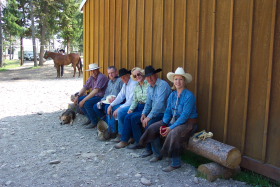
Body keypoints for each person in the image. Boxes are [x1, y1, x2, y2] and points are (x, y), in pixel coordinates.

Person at [139, 67, 198, 172]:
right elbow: (168, 112)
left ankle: (176, 163)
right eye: (176, 79)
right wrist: (164, 123)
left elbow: (184, 116)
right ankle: (158, 154)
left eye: (180, 79)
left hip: (188, 123)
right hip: (174, 121)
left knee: (173, 133)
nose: (178, 82)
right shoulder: (172, 94)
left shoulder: (189, 96)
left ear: (184, 81)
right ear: (173, 81)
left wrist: (170, 128)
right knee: (153, 127)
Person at [139, 65, 171, 157]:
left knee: (150, 124)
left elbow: (160, 104)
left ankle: (157, 154)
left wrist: (149, 117)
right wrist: (144, 113)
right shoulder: (149, 87)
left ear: (156, 75)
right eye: (147, 76)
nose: (149, 78)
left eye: (151, 76)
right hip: (156, 113)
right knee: (142, 120)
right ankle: (148, 149)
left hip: (164, 114)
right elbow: (148, 102)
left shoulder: (163, 85)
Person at [114, 67, 149, 149]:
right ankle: (129, 140)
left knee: (131, 117)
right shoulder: (137, 85)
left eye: (139, 74)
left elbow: (150, 101)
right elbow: (135, 100)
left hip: (147, 107)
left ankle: (129, 140)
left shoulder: (148, 84)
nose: (137, 77)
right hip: (139, 106)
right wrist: (131, 109)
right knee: (128, 116)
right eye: (135, 76)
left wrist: (144, 112)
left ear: (142, 74)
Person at [74, 63, 109, 128]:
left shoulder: (102, 77)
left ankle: (94, 121)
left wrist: (84, 100)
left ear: (98, 69)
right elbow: (85, 87)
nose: (93, 72)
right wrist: (78, 96)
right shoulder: (92, 77)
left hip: (102, 97)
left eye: (94, 70)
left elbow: (96, 90)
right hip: (95, 96)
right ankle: (90, 118)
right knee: (79, 100)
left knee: (87, 103)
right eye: (91, 70)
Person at [107, 68, 138, 141]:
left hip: (134, 106)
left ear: (128, 75)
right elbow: (120, 96)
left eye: (124, 76)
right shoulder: (125, 84)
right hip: (128, 105)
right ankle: (112, 131)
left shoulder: (133, 83)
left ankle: (121, 134)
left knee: (120, 112)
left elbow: (131, 101)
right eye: (121, 77)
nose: (123, 78)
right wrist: (111, 105)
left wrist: (119, 108)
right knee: (112, 108)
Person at [93, 66, 123, 135]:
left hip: (117, 101)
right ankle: (106, 122)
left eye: (112, 73)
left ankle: (112, 131)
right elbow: (106, 93)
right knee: (96, 106)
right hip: (108, 101)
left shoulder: (120, 81)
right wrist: (101, 100)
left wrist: (115, 99)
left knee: (108, 108)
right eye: (109, 73)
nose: (111, 75)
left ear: (116, 72)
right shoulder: (109, 82)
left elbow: (122, 94)